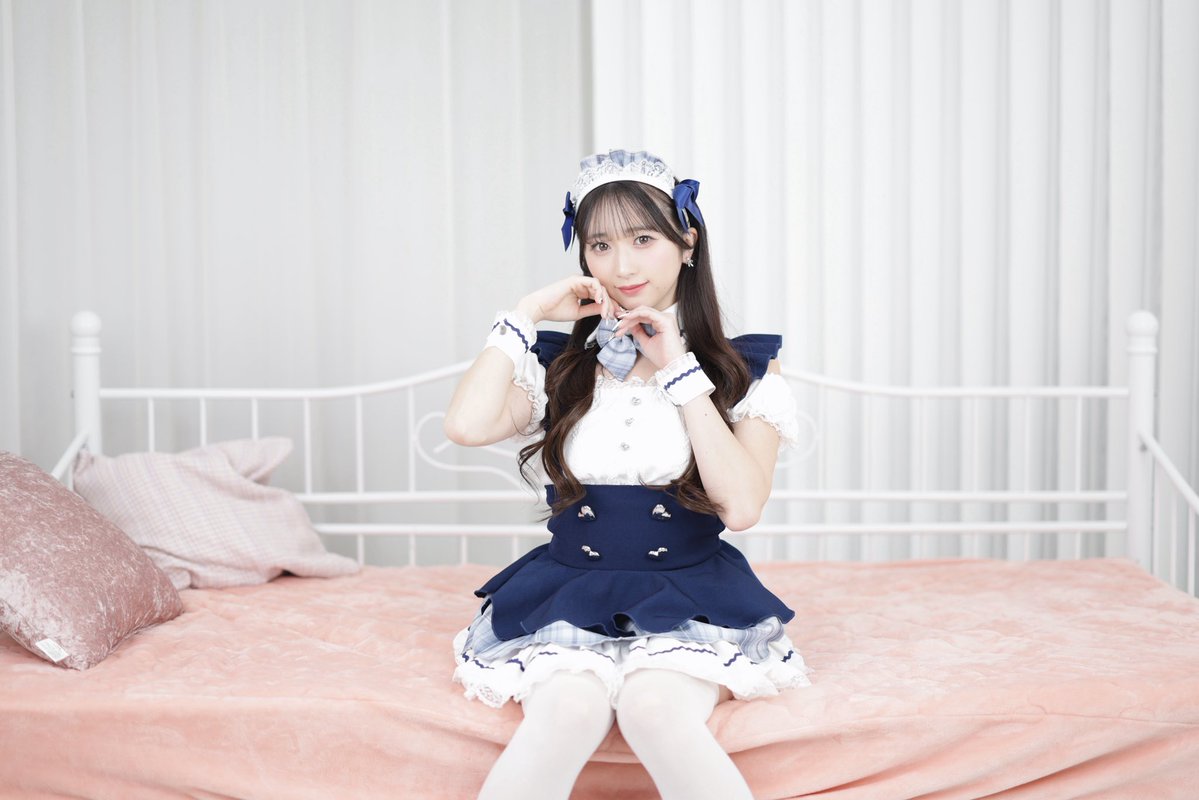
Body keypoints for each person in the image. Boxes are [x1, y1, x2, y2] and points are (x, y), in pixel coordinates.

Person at [443, 149, 811, 800]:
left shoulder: (743, 368)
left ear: (686, 242)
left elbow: (742, 507)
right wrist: (526, 313)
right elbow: (466, 426)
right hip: (568, 590)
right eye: (600, 245)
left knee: (655, 710)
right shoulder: (559, 365)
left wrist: (677, 368)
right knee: (565, 712)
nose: (621, 265)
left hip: (691, 595)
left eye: (643, 239)